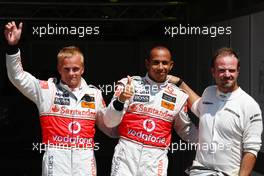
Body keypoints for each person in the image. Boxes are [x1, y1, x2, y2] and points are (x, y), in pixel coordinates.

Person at [4, 21, 117, 176]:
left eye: (76, 69)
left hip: (85, 158)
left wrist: (124, 112)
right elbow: (18, 77)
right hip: (56, 157)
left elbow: (110, 129)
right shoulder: (46, 90)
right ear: (59, 69)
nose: (72, 73)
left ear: (82, 69)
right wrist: (12, 48)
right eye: (67, 69)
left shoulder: (94, 94)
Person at [103, 46, 197, 176]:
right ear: (147, 64)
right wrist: (121, 99)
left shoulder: (179, 95)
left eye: (164, 63)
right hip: (127, 154)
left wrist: (212, 144)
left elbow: (186, 129)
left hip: (155, 158)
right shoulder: (130, 84)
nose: (160, 67)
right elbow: (109, 122)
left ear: (171, 65)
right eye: (155, 62)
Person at [170, 47, 263, 176]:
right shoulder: (209, 92)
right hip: (199, 171)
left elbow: (251, 150)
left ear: (238, 71)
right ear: (213, 72)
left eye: (231, 70)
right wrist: (180, 83)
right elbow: (197, 106)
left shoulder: (249, 105)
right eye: (221, 70)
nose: (227, 74)